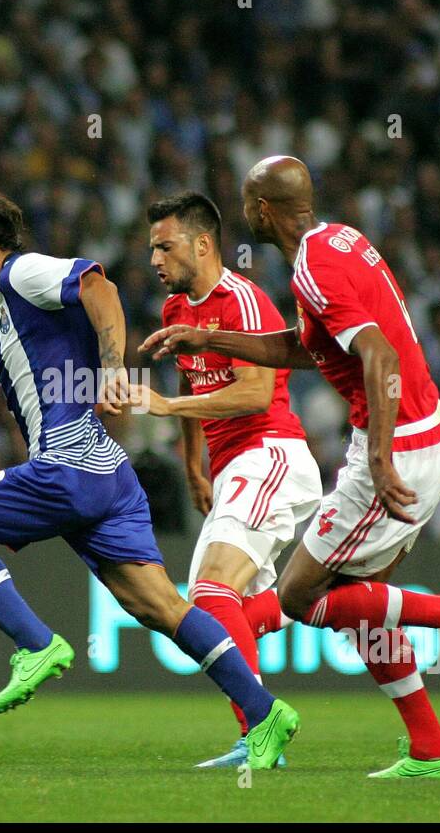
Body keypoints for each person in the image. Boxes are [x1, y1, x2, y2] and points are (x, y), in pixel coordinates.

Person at [0, 190, 299, 769]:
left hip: (67, 464)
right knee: (162, 608)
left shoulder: (24, 272)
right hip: (108, 474)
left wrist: (110, 368)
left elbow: (98, 286)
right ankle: (265, 712)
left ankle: (36, 645)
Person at [142, 157, 440, 779]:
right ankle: (432, 749)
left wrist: (379, 453)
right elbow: (307, 348)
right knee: (353, 603)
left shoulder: (311, 267)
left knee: (298, 595)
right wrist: (211, 342)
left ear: (262, 211)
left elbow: (378, 352)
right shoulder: (340, 242)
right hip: (430, 431)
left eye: (246, 202)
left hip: (400, 447)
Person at [131, 192, 320, 768]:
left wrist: (163, 409)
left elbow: (255, 393)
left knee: (210, 596)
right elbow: (195, 383)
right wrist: (194, 464)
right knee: (219, 603)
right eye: (151, 250)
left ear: (203, 244)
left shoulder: (243, 300)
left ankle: (261, 725)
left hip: (271, 453)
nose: (155, 260)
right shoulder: (174, 312)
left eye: (165, 246)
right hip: (234, 465)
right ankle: (315, 600)